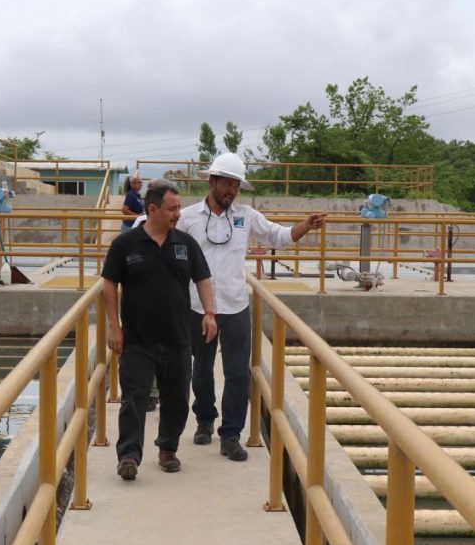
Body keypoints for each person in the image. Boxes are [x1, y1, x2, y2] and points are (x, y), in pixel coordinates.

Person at [177, 152, 326, 461]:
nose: (232, 191)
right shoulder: (189, 217)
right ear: (213, 182)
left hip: (235, 307)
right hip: (197, 306)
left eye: (237, 186)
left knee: (237, 374)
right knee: (201, 369)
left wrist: (305, 226)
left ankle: (231, 435)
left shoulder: (245, 215)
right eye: (228, 184)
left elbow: (279, 236)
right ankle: (205, 419)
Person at [102, 180, 218, 481]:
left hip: (178, 337)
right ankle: (128, 455)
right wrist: (114, 326)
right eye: (172, 208)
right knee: (134, 398)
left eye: (179, 207)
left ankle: (168, 448)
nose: (178, 213)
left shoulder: (184, 243)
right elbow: (109, 284)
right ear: (152, 210)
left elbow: (203, 278)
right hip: (138, 339)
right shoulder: (125, 244)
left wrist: (209, 313)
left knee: (177, 398)